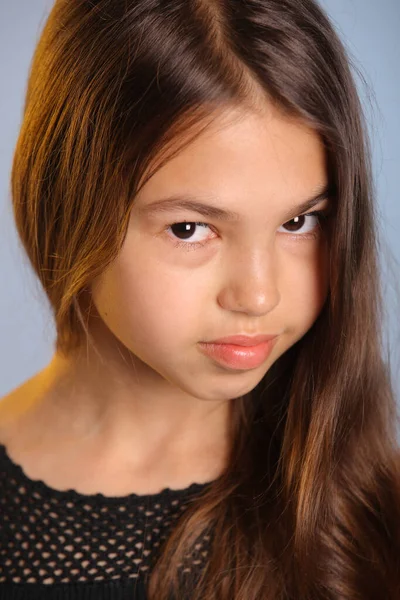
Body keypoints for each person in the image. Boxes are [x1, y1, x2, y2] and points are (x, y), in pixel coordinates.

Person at [1, 0, 400, 598]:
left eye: (300, 221)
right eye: (190, 229)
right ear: (67, 204)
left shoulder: (370, 513)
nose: (259, 295)